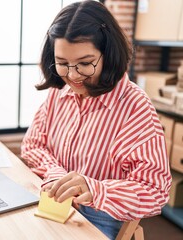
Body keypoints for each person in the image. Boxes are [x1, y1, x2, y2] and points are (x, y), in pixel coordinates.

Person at [21, 1, 172, 239]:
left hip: (98, 216)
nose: (72, 76)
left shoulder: (135, 107)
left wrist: (94, 188)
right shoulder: (59, 93)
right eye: (62, 63)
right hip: (53, 204)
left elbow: (155, 192)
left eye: (85, 64)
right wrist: (57, 175)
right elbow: (32, 145)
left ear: (108, 54)